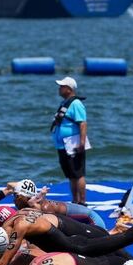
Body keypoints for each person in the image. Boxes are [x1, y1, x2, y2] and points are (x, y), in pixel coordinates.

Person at [51, 76, 88, 204]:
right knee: (71, 175)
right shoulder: (64, 103)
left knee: (78, 174)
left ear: (69, 89)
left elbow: (82, 124)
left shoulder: (76, 104)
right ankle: (75, 200)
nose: (59, 89)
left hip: (73, 145)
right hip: (63, 145)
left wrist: (82, 143)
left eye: (62, 87)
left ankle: (82, 202)